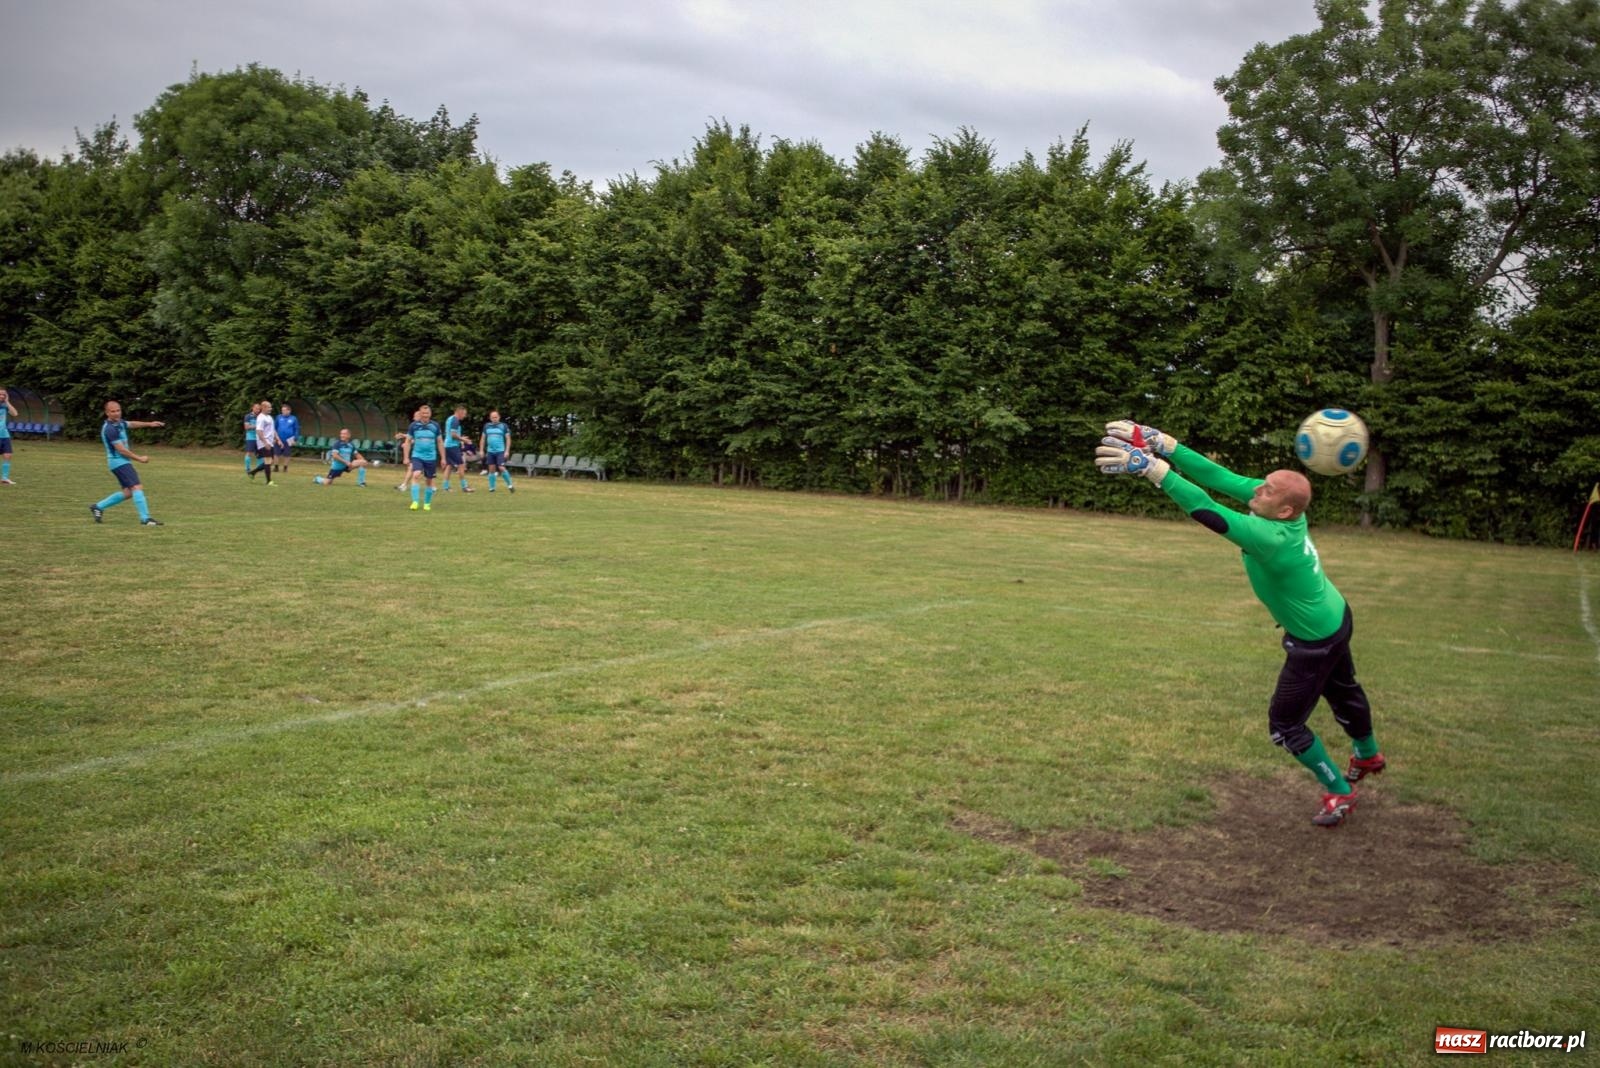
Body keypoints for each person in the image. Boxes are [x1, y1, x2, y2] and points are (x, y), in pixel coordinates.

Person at [1095, 420, 1385, 828]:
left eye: (1267, 490)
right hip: (1336, 616)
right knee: (1343, 690)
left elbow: (1207, 510)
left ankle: (1340, 790)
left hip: (1314, 641)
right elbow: (1219, 477)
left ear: (1285, 510)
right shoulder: (1280, 507)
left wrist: (1154, 470)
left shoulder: (1270, 536)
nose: (1257, 490)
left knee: (1285, 725)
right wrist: (1166, 445)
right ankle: (1368, 755)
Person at [90, 400, 166, 526]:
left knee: (129, 492)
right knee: (137, 487)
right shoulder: (110, 429)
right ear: (107, 413)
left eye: (118, 410)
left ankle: (98, 506)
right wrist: (139, 458)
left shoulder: (119, 423)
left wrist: (149, 424)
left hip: (121, 462)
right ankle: (145, 519)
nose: (116, 413)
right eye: (113, 411)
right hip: (118, 462)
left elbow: (131, 424)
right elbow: (121, 450)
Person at [402, 404, 442, 511]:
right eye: (423, 413)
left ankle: (427, 504)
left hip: (431, 457)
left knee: (429, 481)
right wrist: (406, 457)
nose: (425, 415)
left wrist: (443, 458)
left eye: (427, 413)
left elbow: (439, 442)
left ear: (430, 414)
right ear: (420, 414)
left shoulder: (435, 426)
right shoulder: (413, 426)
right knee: (416, 474)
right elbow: (408, 441)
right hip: (417, 455)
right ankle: (415, 502)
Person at [479, 409, 515, 493]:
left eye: (496, 417)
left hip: (500, 451)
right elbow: (483, 439)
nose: (494, 419)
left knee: (501, 467)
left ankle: (510, 485)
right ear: (490, 418)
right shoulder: (486, 426)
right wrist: (481, 450)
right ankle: (492, 488)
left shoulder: (504, 426)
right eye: (493, 417)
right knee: (491, 469)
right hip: (490, 451)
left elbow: (508, 439)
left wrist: (507, 451)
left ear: (499, 417)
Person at [440, 404, 473, 492]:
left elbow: (451, 434)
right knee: (461, 465)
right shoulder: (455, 420)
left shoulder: (450, 418)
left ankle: (445, 487)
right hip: (452, 446)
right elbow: (453, 435)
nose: (464, 416)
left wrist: (461, 438)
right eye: (464, 414)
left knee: (449, 466)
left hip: (447, 445)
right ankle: (464, 487)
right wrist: (463, 440)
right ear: (459, 412)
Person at [247, 400, 277, 485]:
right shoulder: (261, 417)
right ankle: (269, 481)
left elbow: (273, 430)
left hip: (270, 442)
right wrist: (265, 442)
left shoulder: (269, 417)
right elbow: (259, 431)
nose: (270, 408)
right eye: (269, 407)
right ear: (263, 408)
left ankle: (252, 473)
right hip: (264, 442)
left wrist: (277, 439)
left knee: (271, 461)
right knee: (268, 461)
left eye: (271, 407)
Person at [274, 403, 300, 473]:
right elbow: (274, 428)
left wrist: (295, 438)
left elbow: (296, 429)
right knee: (276, 453)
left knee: (287, 454)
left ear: (289, 411)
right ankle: (276, 467)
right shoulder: (278, 417)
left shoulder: (293, 418)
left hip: (289, 439)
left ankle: (285, 468)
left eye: (284, 410)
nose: (283, 412)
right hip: (279, 438)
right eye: (282, 410)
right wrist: (274, 438)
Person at [0, 388, 17, 484]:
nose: (2, 396)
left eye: (4, 394)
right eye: (0, 394)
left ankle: (4, 478)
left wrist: (7, 402)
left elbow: (15, 414)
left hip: (4, 435)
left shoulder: (5, 406)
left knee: (8, 455)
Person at [243, 402, 259, 474]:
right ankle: (247, 468)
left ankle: (259, 468)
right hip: (250, 437)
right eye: (256, 408)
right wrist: (257, 426)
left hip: (259, 437)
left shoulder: (260, 416)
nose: (258, 410)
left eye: (259, 409)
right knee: (249, 453)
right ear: (252, 408)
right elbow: (246, 427)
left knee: (260, 453)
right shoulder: (248, 416)